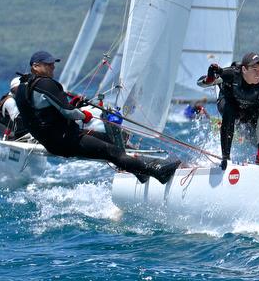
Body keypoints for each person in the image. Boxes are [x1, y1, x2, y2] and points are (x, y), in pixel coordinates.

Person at [15, 51, 180, 184]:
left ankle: (139, 173)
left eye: (53, 64)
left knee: (108, 139)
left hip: (53, 142)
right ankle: (158, 173)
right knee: (114, 151)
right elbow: (67, 112)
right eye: (48, 64)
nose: (52, 67)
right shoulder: (46, 84)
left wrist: (73, 106)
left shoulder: (23, 88)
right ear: (35, 66)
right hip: (66, 139)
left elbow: (43, 111)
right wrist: (83, 115)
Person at [197, 52, 259, 169]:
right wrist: (209, 78)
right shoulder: (231, 74)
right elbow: (200, 83)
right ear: (244, 69)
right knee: (230, 110)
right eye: (255, 69)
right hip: (228, 105)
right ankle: (226, 158)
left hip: (251, 111)